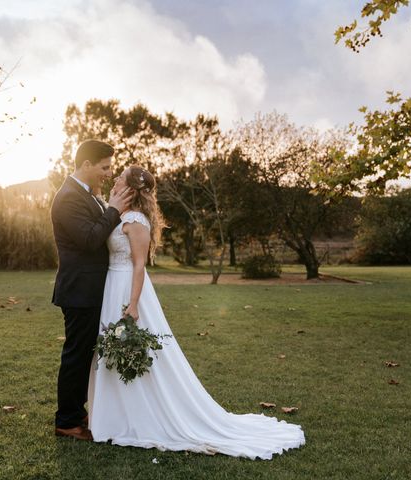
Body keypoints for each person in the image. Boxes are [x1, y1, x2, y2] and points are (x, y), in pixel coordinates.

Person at [87, 165, 306, 459]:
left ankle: (139, 416)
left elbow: (139, 265)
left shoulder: (136, 220)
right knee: (114, 350)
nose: (115, 178)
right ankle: (115, 414)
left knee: (134, 349)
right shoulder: (118, 214)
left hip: (127, 288)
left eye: (120, 177)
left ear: (130, 188)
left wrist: (134, 304)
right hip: (111, 285)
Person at [50, 139, 132, 441]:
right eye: (104, 167)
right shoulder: (69, 197)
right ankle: (67, 421)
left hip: (91, 288)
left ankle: (77, 410)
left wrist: (107, 205)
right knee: (76, 355)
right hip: (79, 290)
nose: (108, 173)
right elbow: (89, 239)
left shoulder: (86, 194)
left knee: (84, 354)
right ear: (86, 164)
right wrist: (113, 209)